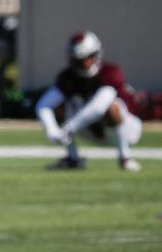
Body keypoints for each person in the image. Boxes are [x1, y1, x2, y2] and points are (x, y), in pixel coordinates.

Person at [35, 31, 142, 171]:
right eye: (79, 60)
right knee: (59, 106)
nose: (84, 63)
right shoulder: (68, 77)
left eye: (88, 57)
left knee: (111, 107)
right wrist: (52, 130)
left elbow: (98, 108)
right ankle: (73, 158)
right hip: (90, 129)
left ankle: (125, 158)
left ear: (96, 54)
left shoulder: (110, 72)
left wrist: (69, 128)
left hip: (126, 130)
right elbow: (44, 105)